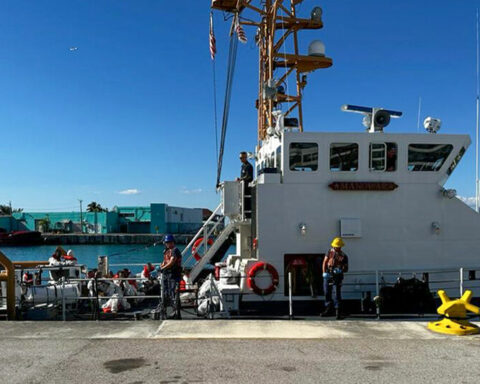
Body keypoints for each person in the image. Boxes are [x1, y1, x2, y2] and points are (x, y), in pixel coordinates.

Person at [321, 237, 349, 320]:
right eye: (335, 246)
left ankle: (338, 311)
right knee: (327, 292)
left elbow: (346, 268)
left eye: (338, 247)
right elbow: (324, 262)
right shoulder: (329, 252)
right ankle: (328, 309)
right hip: (328, 274)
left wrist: (340, 270)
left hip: (337, 276)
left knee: (336, 293)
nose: (336, 248)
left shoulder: (344, 256)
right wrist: (324, 272)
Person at [160, 234, 182, 319]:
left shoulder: (175, 250)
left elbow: (172, 261)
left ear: (172, 242)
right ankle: (166, 311)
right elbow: (164, 261)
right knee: (166, 293)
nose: (167, 244)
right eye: (166, 243)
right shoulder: (167, 251)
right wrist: (161, 267)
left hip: (174, 275)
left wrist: (163, 268)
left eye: (168, 242)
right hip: (167, 275)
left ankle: (176, 312)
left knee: (174, 293)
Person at [236, 151, 253, 218]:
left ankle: (248, 216)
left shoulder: (249, 166)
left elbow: (249, 177)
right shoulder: (243, 166)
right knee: (243, 203)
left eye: (241, 158)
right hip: (242, 188)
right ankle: (245, 215)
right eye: (240, 158)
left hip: (247, 188)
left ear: (245, 157)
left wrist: (241, 179)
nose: (240, 159)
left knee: (247, 203)